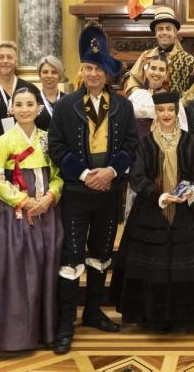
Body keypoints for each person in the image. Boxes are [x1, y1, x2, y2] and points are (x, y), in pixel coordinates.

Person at [47, 25, 139, 355]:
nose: (93, 74)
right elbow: (56, 148)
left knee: (101, 255)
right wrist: (86, 173)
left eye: (99, 69)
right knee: (71, 257)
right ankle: (65, 321)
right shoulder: (66, 105)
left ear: (107, 74)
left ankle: (94, 311)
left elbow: (131, 145)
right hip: (76, 192)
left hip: (109, 191)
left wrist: (111, 171)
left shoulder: (123, 107)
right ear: (81, 71)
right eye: (88, 68)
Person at [111, 92, 194, 332]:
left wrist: (190, 190)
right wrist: (159, 196)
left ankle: (183, 317)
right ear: (156, 113)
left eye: (170, 110)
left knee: (184, 264)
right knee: (152, 266)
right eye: (161, 110)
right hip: (150, 209)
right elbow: (136, 177)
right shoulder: (144, 143)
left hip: (184, 210)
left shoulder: (191, 141)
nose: (166, 114)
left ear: (177, 112)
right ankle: (153, 317)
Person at [0, 87, 64, 351]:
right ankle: (13, 336)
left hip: (46, 213)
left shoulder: (47, 139)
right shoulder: (3, 142)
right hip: (13, 214)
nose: (25, 109)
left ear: (39, 108)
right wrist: (23, 200)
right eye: (19, 104)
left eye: (30, 104)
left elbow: (58, 176)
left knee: (45, 268)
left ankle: (45, 332)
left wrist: (50, 196)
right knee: (15, 272)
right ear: (11, 109)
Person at [123, 6, 194, 96]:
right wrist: (142, 97)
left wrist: (182, 102)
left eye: (168, 28)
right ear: (155, 34)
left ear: (175, 33)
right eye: (160, 29)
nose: (164, 32)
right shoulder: (145, 56)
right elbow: (132, 81)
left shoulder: (187, 60)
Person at [128, 55, 189, 137]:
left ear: (166, 74)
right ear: (147, 70)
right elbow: (124, 122)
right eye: (153, 68)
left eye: (161, 69)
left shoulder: (173, 99)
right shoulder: (136, 95)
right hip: (133, 144)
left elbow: (182, 129)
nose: (156, 73)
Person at [34, 55, 66, 131]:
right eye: (45, 72)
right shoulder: (33, 101)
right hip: (38, 142)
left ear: (59, 75)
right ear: (39, 74)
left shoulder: (68, 101)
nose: (49, 76)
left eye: (54, 72)